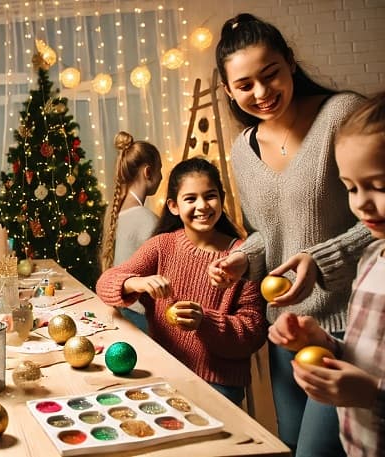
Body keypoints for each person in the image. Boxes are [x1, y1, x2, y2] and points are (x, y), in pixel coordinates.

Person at [208, 13, 372, 456]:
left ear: (290, 63)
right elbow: (269, 231)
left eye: (271, 75)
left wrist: (321, 260)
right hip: (284, 328)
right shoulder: (243, 149)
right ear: (228, 90)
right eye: (245, 86)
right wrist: (246, 257)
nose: (261, 94)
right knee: (292, 443)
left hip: (347, 327)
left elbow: (379, 216)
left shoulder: (342, 114)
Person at [268, 92, 385, 457]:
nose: (360, 203)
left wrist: (371, 395)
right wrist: (323, 344)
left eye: (379, 186)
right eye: (350, 187)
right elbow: (367, 355)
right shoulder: (371, 259)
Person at [96, 158, 267, 405]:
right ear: (174, 206)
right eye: (190, 199)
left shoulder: (241, 257)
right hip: (166, 372)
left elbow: (253, 333)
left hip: (218, 383)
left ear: (221, 198)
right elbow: (106, 282)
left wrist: (204, 321)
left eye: (210, 196)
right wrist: (137, 283)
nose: (202, 206)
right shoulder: (162, 245)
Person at [99, 131, 163, 334]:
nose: (161, 177)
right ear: (148, 172)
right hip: (140, 315)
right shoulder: (146, 219)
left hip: (120, 309)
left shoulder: (114, 212)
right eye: (160, 170)